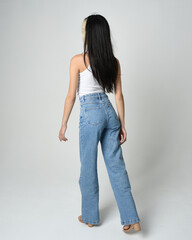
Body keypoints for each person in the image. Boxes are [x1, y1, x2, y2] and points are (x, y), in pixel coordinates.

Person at [58, 14, 141, 233]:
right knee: (117, 167)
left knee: (88, 167)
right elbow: (119, 96)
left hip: (90, 113)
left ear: (90, 35)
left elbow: (71, 97)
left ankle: (90, 217)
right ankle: (132, 219)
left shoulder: (78, 60)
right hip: (109, 112)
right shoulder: (113, 62)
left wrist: (63, 124)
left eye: (84, 29)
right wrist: (122, 125)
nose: (82, 33)